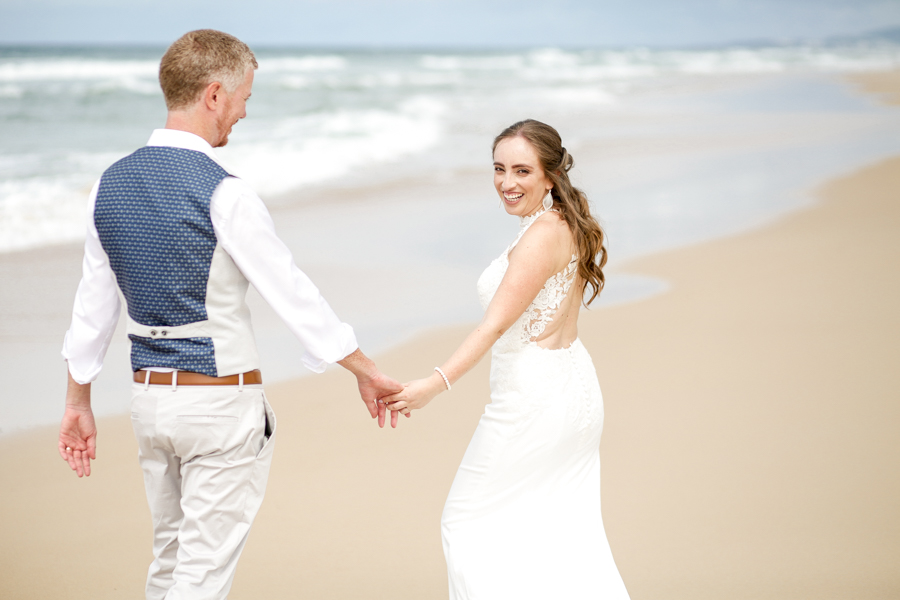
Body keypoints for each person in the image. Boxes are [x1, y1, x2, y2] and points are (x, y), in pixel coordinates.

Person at [57, 29, 402, 600]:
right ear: (214, 94)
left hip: (149, 405)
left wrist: (77, 402)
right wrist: (365, 370)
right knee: (200, 578)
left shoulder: (107, 186)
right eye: (243, 97)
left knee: (170, 562)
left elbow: (91, 310)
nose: (243, 112)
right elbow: (291, 292)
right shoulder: (226, 193)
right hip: (219, 405)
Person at [384, 120, 631, 599]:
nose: (506, 182)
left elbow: (494, 326)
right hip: (571, 386)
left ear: (550, 175)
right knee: (560, 530)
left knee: (465, 522)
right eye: (499, 169)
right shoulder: (562, 224)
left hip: (533, 399)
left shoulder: (541, 235)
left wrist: (433, 384)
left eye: (522, 170)